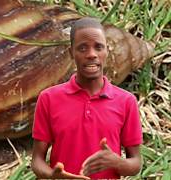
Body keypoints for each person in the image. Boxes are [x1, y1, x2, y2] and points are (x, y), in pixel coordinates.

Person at [31, 17, 143, 179]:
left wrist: (117, 162)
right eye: (82, 48)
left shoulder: (126, 101)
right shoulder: (48, 98)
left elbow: (136, 163)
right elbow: (37, 161)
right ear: (71, 53)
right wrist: (52, 176)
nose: (91, 54)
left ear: (107, 51)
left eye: (98, 47)